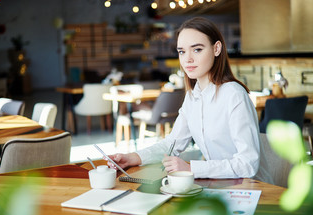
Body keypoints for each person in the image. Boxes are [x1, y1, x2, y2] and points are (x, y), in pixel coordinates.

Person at [107, 17, 272, 183]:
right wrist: (132, 158)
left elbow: (248, 164)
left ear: (216, 49)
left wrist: (191, 168)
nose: (188, 59)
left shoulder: (234, 95)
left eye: (197, 49)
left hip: (255, 190)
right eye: (182, 51)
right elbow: (171, 145)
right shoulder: (193, 97)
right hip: (221, 186)